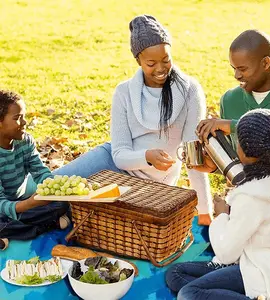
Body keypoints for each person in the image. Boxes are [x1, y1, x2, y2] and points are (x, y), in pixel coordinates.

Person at [53, 15, 213, 225]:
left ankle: (66, 216)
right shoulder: (124, 92)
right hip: (112, 163)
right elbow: (119, 155)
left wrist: (205, 212)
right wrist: (147, 156)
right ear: (138, 60)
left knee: (82, 210)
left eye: (166, 60)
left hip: (150, 186)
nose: (160, 69)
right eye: (151, 63)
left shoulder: (190, 90)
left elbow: (193, 157)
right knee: (49, 188)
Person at [166, 108, 270, 300]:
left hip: (259, 274)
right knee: (175, 274)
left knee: (188, 293)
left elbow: (226, 252)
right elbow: (260, 195)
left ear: (245, 150)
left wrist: (222, 215)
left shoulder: (252, 197)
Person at [195, 29, 270, 265]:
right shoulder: (230, 100)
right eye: (233, 68)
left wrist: (233, 126)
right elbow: (242, 159)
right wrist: (215, 165)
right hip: (248, 202)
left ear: (266, 63)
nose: (236, 75)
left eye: (242, 69)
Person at [0, 90, 70, 249]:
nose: (24, 122)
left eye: (23, 116)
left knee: (62, 204)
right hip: (6, 206)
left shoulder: (25, 141)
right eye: (17, 118)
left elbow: (40, 171)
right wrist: (29, 204)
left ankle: (10, 231)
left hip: (20, 201)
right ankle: (42, 226)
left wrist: (55, 189)